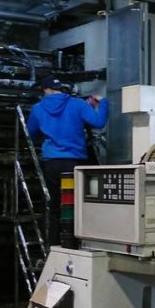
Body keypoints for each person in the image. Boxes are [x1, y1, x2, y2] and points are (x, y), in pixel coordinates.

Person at [27, 77, 109, 245]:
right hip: (74, 163)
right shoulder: (78, 104)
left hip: (51, 163)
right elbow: (99, 122)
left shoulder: (37, 108)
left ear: (46, 90)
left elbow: (31, 133)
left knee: (55, 206)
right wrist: (103, 103)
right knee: (76, 204)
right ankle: (77, 244)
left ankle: (54, 246)